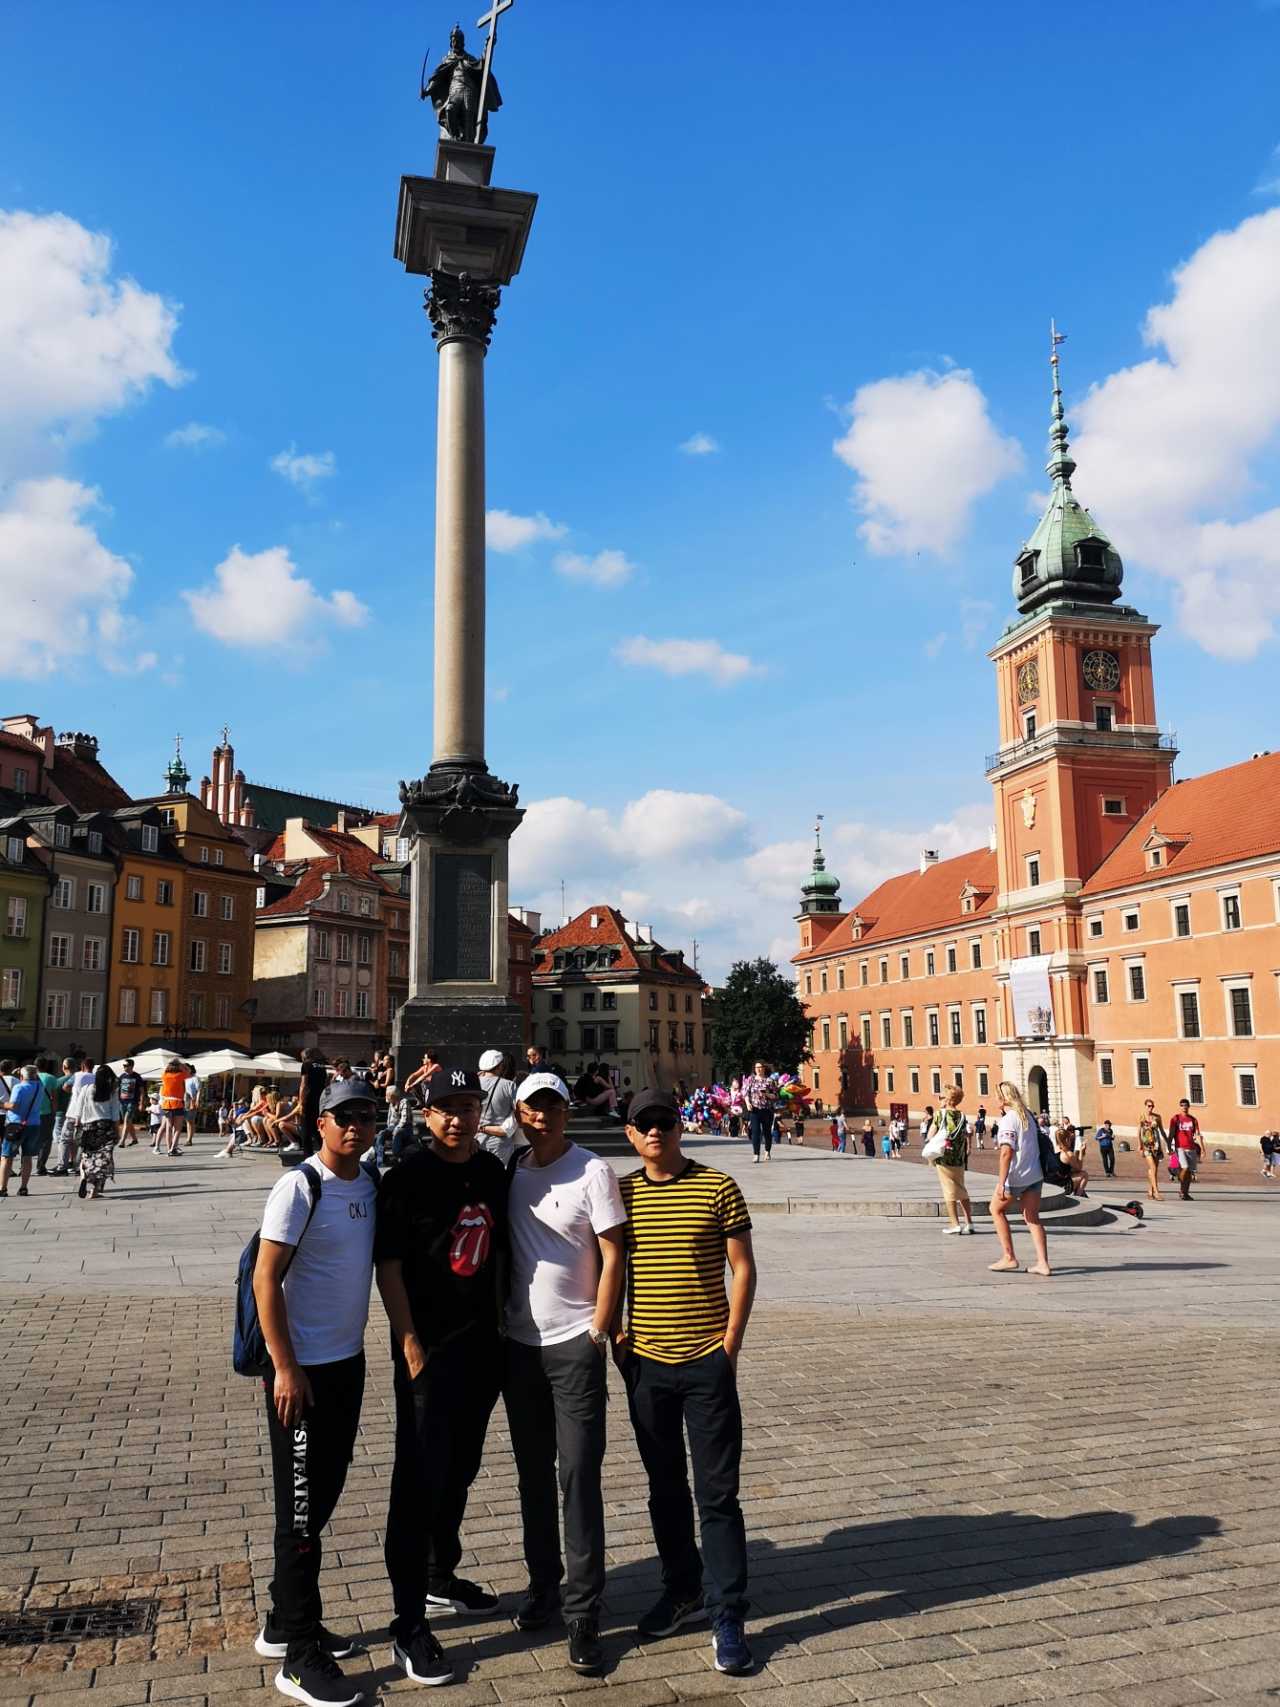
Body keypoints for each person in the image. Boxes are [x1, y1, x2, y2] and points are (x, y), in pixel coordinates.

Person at [614, 1088, 756, 1676]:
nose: (655, 1133)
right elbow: (606, 1265)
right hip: (645, 1362)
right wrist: (615, 1337)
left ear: (680, 1127)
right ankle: (682, 1590)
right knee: (664, 1487)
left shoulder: (718, 1185)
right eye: (644, 1125)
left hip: (705, 1361)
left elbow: (742, 1266)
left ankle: (728, 1612)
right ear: (630, 1134)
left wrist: (729, 1347)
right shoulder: (619, 1194)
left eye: (664, 1123)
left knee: (717, 1495)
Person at [376, 1066, 508, 1686]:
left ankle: (438, 1575)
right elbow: (391, 1267)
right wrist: (408, 1341)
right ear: (425, 1115)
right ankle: (408, 1626)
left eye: (467, 1105)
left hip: (483, 1345)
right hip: (427, 1350)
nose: (457, 1116)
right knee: (418, 1481)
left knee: (462, 1466)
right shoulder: (405, 1179)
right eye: (445, 1107)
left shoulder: (491, 1172)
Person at [252, 1077, 379, 1707]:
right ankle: (299, 1656)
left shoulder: (369, 1185)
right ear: (321, 1122)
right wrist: (285, 1366)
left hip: (346, 1365)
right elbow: (265, 1278)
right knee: (299, 1517)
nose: (355, 1126)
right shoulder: (299, 1185)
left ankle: (284, 1620)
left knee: (323, 1495)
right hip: (300, 1371)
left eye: (366, 1116)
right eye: (344, 1117)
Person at [503, 1070, 626, 1675]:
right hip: (519, 1347)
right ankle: (543, 1587)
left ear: (565, 1110)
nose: (543, 1116)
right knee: (531, 1475)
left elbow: (614, 1254)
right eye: (533, 1107)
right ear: (520, 1113)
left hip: (575, 1342)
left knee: (577, 1474)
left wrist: (599, 1330)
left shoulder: (593, 1169)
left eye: (552, 1106)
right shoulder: (510, 1171)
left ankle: (583, 1609)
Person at [989, 1080, 1050, 1277]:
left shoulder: (1008, 1120)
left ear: (1002, 1098)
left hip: (1016, 1177)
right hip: (1034, 1174)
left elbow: (1006, 1152)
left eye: (995, 1096)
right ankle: (1043, 1263)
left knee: (995, 1209)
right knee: (1032, 1218)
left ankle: (1009, 1257)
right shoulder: (1028, 1116)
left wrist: (1002, 1182)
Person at [69, 1063, 122, 1200]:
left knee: (86, 1156)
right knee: (103, 1160)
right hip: (105, 1128)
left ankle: (83, 1176)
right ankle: (94, 1191)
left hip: (88, 1127)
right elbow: (115, 1114)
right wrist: (118, 1131)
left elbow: (78, 1109)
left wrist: (76, 1126)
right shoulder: (112, 1092)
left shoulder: (86, 1089)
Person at [928, 1087, 974, 1234]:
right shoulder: (962, 1115)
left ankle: (954, 1224)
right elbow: (966, 1133)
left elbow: (930, 1135)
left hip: (944, 1158)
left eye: (941, 1097)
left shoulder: (939, 1114)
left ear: (947, 1099)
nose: (938, 1099)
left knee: (949, 1190)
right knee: (962, 1189)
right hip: (959, 1158)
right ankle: (969, 1223)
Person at [0, 1065, 45, 1197]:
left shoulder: (19, 1087)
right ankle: (23, 1187)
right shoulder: (39, 1087)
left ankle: (3, 1188)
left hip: (16, 1125)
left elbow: (13, 1106)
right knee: (27, 1157)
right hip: (34, 1124)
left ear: (21, 1076)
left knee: (7, 1157)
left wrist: (2, 1104)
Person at [477, 1049, 519, 1164]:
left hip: (476, 1140)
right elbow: (518, 1111)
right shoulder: (509, 1085)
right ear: (500, 1066)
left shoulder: (474, 1084)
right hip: (500, 1144)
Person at [741, 1062, 775, 1165]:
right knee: (755, 1132)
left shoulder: (769, 1081)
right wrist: (747, 1103)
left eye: (761, 1067)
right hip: (754, 1109)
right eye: (757, 1067)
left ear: (764, 1069)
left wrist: (767, 1094)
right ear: (754, 1069)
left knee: (767, 1132)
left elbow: (775, 1095)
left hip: (766, 1110)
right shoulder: (751, 1080)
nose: (759, 1069)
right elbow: (746, 1093)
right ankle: (756, 1154)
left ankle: (767, 1150)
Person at [1168, 1099, 1202, 1201]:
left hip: (1191, 1148)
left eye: (1186, 1105)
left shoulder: (1193, 1120)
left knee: (1189, 1172)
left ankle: (1184, 1193)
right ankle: (1179, 1177)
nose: (1184, 1107)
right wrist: (1169, 1146)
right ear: (1180, 1106)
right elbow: (1171, 1134)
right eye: (1182, 1105)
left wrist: (1202, 1149)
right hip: (1180, 1147)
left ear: (1188, 1106)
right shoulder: (1176, 1119)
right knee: (1185, 1168)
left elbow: (1197, 1135)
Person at [157, 1059, 187, 1157]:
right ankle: (173, 1148)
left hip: (166, 1104)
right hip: (177, 1103)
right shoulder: (180, 1075)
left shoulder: (164, 1076)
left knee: (168, 1127)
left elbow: (165, 1070)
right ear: (178, 1066)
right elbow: (188, 1071)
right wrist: (181, 1064)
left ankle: (169, 1148)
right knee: (178, 1128)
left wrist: (170, 1063)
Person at [1137, 1100, 1165, 1200]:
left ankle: (1150, 1191)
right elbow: (1139, 1132)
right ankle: (1156, 1192)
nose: (1151, 1108)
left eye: (1152, 1106)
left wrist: (1168, 1143)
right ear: (1145, 1106)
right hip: (1146, 1146)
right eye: (1149, 1106)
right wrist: (1139, 1145)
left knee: (1154, 1170)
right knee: (1152, 1167)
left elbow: (1161, 1131)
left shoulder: (1157, 1117)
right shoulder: (1142, 1117)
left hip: (1156, 1145)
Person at [117, 1059, 144, 1148]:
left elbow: (142, 1091)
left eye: (126, 1065)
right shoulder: (122, 1076)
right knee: (128, 1121)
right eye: (123, 1065)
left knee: (126, 1120)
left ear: (131, 1066)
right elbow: (118, 1089)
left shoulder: (137, 1076)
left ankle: (122, 1141)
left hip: (132, 1102)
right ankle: (134, 1139)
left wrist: (141, 1103)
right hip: (122, 1102)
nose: (124, 1067)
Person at [183, 1064, 202, 1147]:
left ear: (190, 1069)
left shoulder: (195, 1078)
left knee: (190, 1121)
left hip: (192, 1100)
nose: (184, 1070)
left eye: (186, 1069)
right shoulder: (184, 1078)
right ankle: (188, 1138)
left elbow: (199, 1090)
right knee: (187, 1120)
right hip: (183, 1100)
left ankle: (189, 1139)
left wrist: (197, 1100)